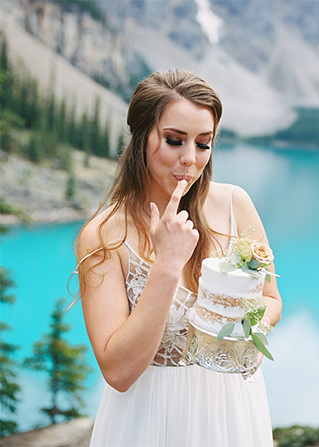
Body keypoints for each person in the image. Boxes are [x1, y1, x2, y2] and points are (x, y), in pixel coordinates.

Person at [75, 68, 282, 446]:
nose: (190, 159)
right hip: (151, 415)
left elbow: (270, 299)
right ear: (141, 138)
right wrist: (167, 265)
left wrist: (246, 335)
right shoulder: (103, 236)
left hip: (233, 408)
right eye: (174, 140)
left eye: (203, 144)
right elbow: (118, 371)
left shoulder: (236, 203)